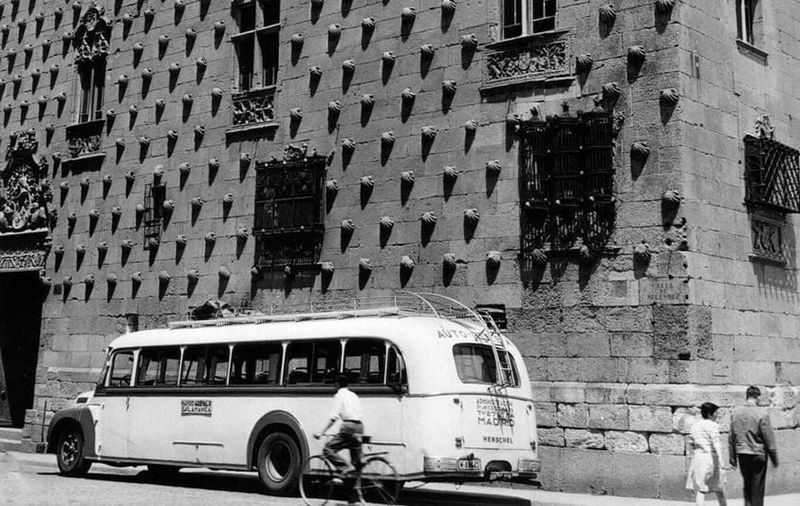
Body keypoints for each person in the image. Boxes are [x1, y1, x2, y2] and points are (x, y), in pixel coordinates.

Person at [729, 386, 779, 506]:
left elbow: (731, 436)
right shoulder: (762, 413)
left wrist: (732, 457)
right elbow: (769, 439)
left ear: (747, 396)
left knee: (747, 485)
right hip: (758, 453)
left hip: (742, 453)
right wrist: (774, 458)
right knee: (758, 487)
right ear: (758, 397)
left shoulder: (736, 412)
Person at [314, 374, 364, 483]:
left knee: (328, 450)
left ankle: (345, 468)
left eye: (333, 384)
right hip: (359, 427)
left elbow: (333, 417)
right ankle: (355, 488)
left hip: (348, 427)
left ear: (337, 384)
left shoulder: (339, 395)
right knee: (356, 464)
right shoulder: (353, 395)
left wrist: (321, 432)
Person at [686, 402, 728, 506]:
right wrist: (721, 461)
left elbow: (691, 444)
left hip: (698, 459)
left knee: (701, 489)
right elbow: (716, 443)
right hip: (711, 459)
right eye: (715, 413)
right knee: (719, 488)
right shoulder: (713, 426)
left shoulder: (694, 427)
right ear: (710, 414)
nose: (717, 415)